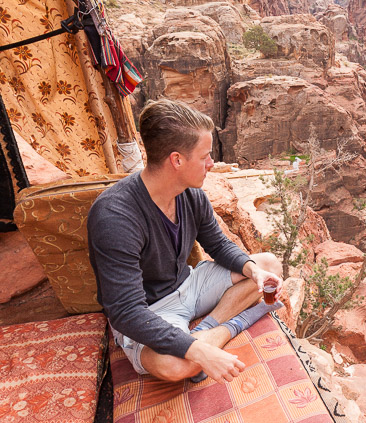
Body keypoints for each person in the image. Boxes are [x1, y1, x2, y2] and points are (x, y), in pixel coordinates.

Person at [88, 99, 283, 384]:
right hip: (150, 309)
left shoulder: (191, 196)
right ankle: (226, 328)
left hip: (189, 284)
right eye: (204, 155)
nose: (211, 163)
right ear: (177, 160)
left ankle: (209, 330)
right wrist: (197, 353)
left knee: (267, 264)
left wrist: (254, 272)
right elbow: (126, 311)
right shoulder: (114, 217)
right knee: (175, 366)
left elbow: (217, 246)